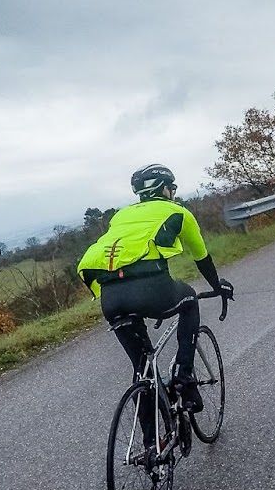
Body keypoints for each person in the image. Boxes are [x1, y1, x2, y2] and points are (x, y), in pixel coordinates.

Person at [78, 164, 232, 412]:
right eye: (172, 187)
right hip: (151, 291)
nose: (173, 192)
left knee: (143, 370)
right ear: (164, 189)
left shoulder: (120, 216)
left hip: (110, 297)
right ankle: (184, 377)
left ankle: (151, 433)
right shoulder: (178, 212)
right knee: (189, 299)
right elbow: (201, 257)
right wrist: (217, 286)